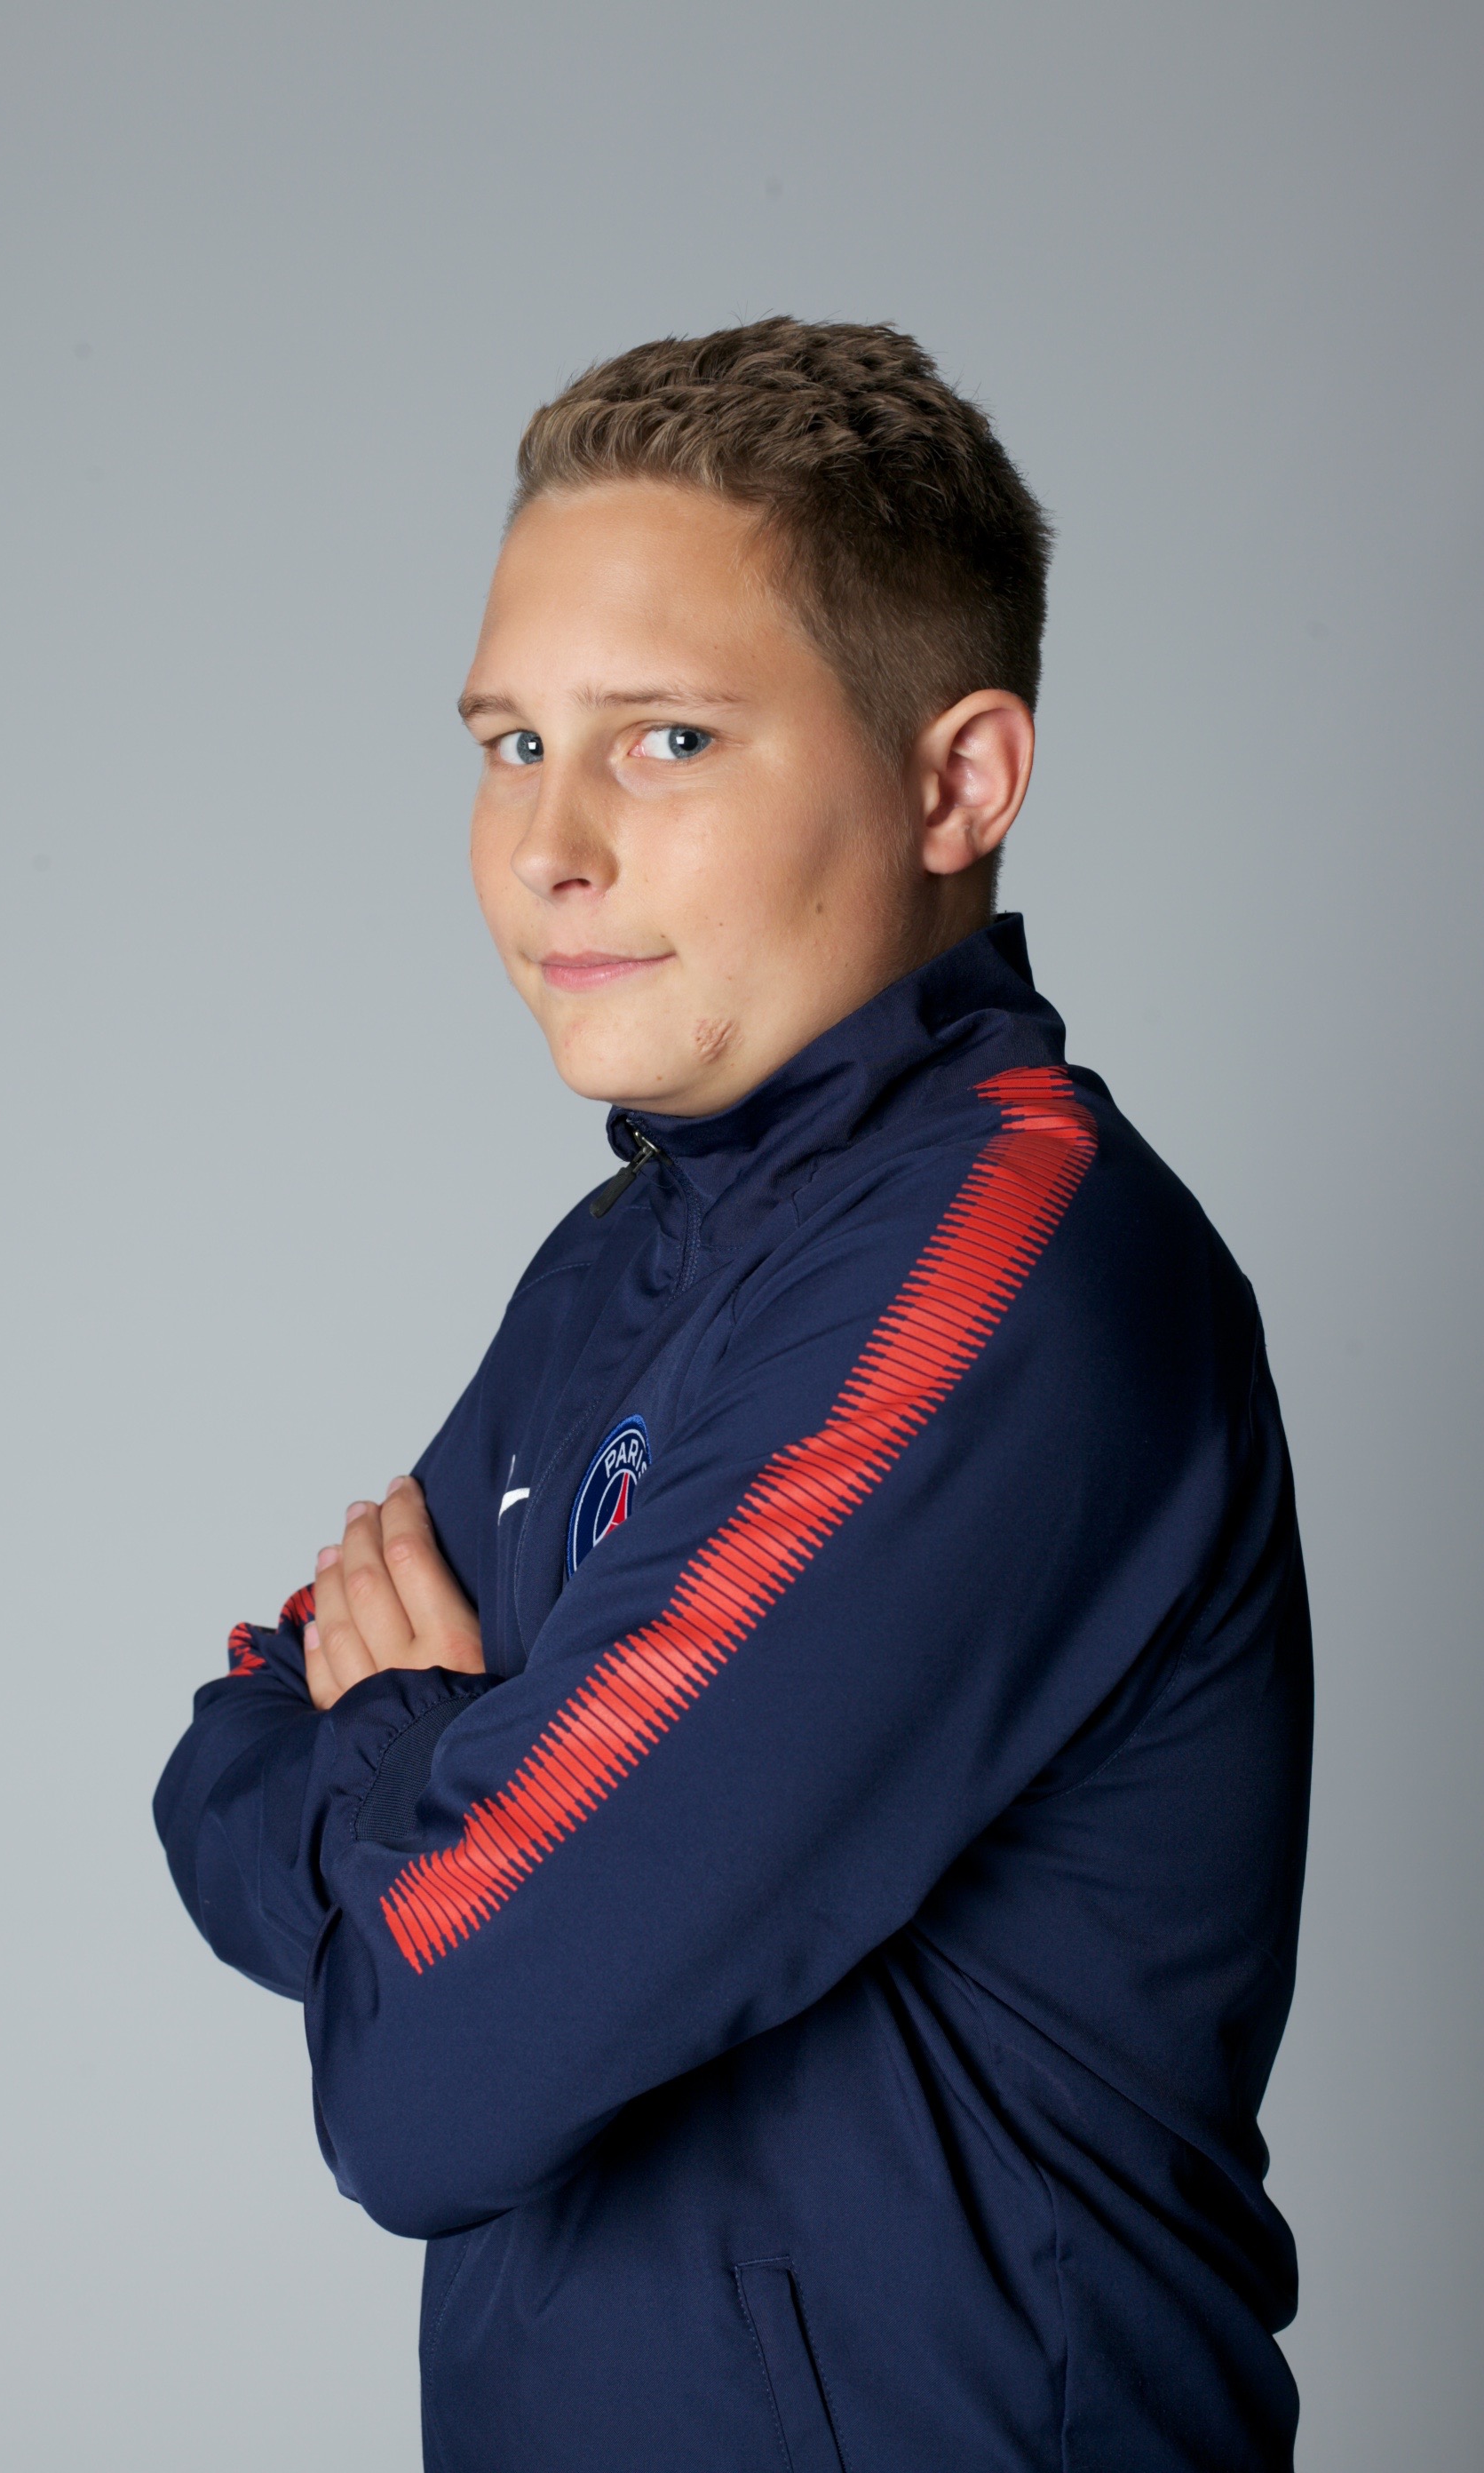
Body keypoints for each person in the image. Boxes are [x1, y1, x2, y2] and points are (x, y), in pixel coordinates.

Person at [155, 318, 1312, 2471]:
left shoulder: (1004, 1271)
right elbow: (218, 1747)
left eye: (666, 740)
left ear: (957, 782)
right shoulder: (626, 1257)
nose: (548, 846)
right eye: (511, 743)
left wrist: (406, 1743)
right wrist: (451, 1825)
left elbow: (426, 2081)